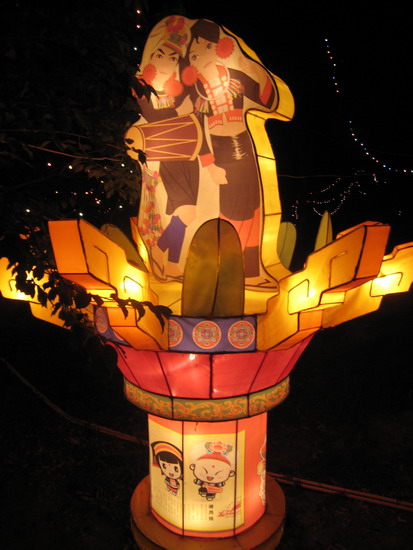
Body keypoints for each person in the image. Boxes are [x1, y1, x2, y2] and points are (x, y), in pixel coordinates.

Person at [182, 19, 279, 285]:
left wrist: (249, 65)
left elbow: (267, 98)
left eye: (204, 47)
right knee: (230, 209)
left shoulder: (234, 77)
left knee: (252, 205)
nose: (198, 54)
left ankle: (250, 272)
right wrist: (209, 163)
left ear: (218, 48)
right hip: (221, 149)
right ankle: (228, 267)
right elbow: (197, 128)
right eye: (193, 51)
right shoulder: (196, 89)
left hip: (244, 143)